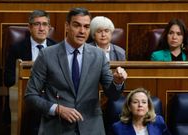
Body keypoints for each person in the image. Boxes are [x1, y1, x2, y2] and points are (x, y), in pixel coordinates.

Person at [24, 7, 127, 135]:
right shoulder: (47, 55)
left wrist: (117, 82)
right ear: (67, 26)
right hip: (57, 127)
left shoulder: (99, 56)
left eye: (86, 26)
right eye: (77, 25)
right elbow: (30, 96)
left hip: (91, 128)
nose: (82, 31)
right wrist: (57, 109)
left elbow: (113, 95)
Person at [3, 10, 56, 135]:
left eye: (45, 24)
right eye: (37, 24)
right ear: (30, 27)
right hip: (24, 98)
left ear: (49, 28)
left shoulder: (57, 48)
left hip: (51, 98)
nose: (41, 28)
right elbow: (8, 79)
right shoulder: (17, 48)